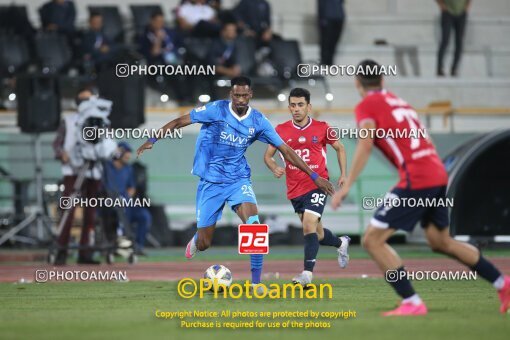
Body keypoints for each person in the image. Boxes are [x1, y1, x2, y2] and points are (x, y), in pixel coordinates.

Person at [331, 59, 510, 316]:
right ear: (383, 81)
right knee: (441, 242)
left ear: (357, 83)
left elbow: (365, 142)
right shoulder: (400, 103)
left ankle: (412, 301)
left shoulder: (367, 105)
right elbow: (425, 139)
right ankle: (503, 283)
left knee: (372, 239)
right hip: (436, 173)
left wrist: (346, 185)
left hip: (418, 177)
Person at [137, 76, 334, 288]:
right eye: (236, 95)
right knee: (205, 243)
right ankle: (197, 239)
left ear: (250, 95)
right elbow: (179, 121)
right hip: (210, 182)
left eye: (244, 95)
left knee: (255, 227)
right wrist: (152, 139)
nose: (240, 99)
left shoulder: (258, 121)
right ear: (231, 94)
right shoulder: (216, 110)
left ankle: (255, 283)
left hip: (238, 179)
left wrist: (315, 176)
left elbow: (286, 150)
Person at [263, 88, 350, 287]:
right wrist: (274, 166)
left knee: (308, 226)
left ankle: (307, 274)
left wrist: (344, 174)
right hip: (295, 189)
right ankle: (341, 242)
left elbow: (340, 147)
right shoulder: (280, 130)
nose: (296, 109)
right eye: (292, 105)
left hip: (318, 184)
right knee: (317, 234)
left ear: (309, 106)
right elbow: (268, 156)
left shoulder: (322, 127)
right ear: (289, 107)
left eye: (300, 104)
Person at [52, 88, 101, 265]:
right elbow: (57, 144)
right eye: (82, 100)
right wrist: (62, 153)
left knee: (91, 213)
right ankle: (61, 251)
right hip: (72, 171)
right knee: (68, 211)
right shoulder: (69, 120)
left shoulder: (99, 120)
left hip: (93, 171)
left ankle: (86, 252)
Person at [103, 142, 151, 256]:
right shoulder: (106, 167)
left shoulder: (128, 169)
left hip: (126, 203)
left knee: (144, 216)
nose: (128, 157)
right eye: (126, 154)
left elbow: (132, 188)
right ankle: (118, 247)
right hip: (109, 203)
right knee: (117, 216)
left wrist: (126, 199)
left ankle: (137, 247)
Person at [139, 11, 191, 104]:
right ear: (152, 21)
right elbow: (153, 54)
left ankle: (191, 98)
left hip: (176, 59)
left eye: (162, 22)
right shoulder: (145, 36)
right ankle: (181, 99)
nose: (160, 24)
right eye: (157, 21)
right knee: (172, 70)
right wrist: (158, 39)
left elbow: (181, 46)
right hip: (158, 63)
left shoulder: (170, 32)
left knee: (194, 67)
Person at [206, 21, 241, 100]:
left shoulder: (234, 45)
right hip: (213, 72)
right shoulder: (215, 44)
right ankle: (215, 101)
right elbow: (213, 65)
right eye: (229, 30)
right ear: (223, 32)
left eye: (233, 30)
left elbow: (234, 61)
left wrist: (236, 68)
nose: (232, 33)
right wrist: (229, 71)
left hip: (228, 70)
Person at [436, 0, 470, 76]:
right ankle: (439, 68)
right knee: (445, 40)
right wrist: (442, 6)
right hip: (447, 13)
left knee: (459, 42)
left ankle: (454, 68)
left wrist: (466, 8)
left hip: (461, 14)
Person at [318, 0, 345, 66]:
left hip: (339, 17)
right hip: (327, 17)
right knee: (326, 41)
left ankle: (330, 62)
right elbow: (321, 4)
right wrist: (321, 19)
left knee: (334, 41)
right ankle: (324, 62)